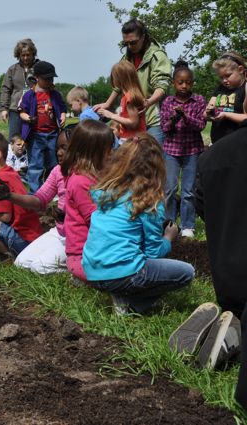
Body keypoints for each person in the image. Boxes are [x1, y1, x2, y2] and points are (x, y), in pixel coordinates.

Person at [82, 134, 193, 314]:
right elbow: (153, 252)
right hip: (122, 273)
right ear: (156, 167)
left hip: (93, 272)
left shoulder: (106, 193)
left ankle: (121, 295)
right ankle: (133, 304)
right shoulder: (148, 201)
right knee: (186, 272)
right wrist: (168, 237)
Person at [187, 121, 247, 400]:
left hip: (226, 278)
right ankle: (230, 336)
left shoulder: (212, 155)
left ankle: (226, 328)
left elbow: (201, 205)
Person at [5, 124, 76, 273]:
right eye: (57, 148)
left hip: (77, 237)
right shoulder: (58, 171)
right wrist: (10, 196)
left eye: (64, 148)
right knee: (21, 263)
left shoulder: (85, 177)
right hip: (60, 232)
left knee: (39, 267)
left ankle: (77, 269)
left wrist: (68, 216)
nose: (59, 153)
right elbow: (39, 199)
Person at [94, 18, 171, 146]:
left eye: (133, 42)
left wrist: (147, 103)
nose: (130, 46)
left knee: (151, 160)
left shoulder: (157, 55)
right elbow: (120, 83)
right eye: (126, 43)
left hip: (152, 119)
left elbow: (162, 85)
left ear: (143, 37)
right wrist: (108, 103)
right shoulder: (127, 57)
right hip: (133, 121)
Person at [62, 120, 114, 282]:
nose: (112, 153)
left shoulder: (95, 175)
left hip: (98, 249)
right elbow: (95, 221)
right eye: (108, 149)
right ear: (94, 152)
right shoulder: (80, 182)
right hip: (85, 255)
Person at [159, 60, 206, 238]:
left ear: (192, 83)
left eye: (188, 82)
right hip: (171, 150)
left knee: (188, 190)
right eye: (180, 82)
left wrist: (185, 116)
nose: (184, 86)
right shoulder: (168, 102)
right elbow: (165, 128)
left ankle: (188, 226)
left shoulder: (199, 100)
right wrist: (174, 117)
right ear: (174, 83)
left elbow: (201, 125)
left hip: (192, 150)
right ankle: (169, 223)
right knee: (170, 188)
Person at [18, 60, 67, 192]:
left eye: (51, 78)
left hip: (53, 134)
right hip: (35, 136)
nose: (50, 81)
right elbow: (21, 112)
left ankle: (54, 190)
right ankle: (35, 193)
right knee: (36, 165)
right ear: (37, 78)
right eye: (47, 78)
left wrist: (62, 116)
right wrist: (28, 118)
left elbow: (62, 108)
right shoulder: (29, 95)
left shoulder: (55, 94)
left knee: (53, 164)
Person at [96, 61, 147, 142]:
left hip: (132, 140)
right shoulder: (128, 96)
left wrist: (111, 115)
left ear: (120, 78)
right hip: (130, 138)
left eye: (114, 76)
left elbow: (133, 123)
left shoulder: (130, 97)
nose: (113, 79)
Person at [0, 38, 39, 139]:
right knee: (14, 139)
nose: (25, 58)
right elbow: (5, 89)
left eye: (28, 55)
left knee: (34, 138)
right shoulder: (13, 69)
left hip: (35, 109)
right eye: (23, 55)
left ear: (33, 54)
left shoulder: (39, 66)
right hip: (15, 110)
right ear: (18, 55)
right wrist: (4, 109)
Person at [206, 51, 247, 143]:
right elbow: (205, 114)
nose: (224, 80)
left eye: (228, 75)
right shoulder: (220, 88)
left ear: (240, 70)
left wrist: (226, 115)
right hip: (218, 143)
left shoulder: (245, 88)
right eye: (221, 77)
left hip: (238, 144)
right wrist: (210, 112)